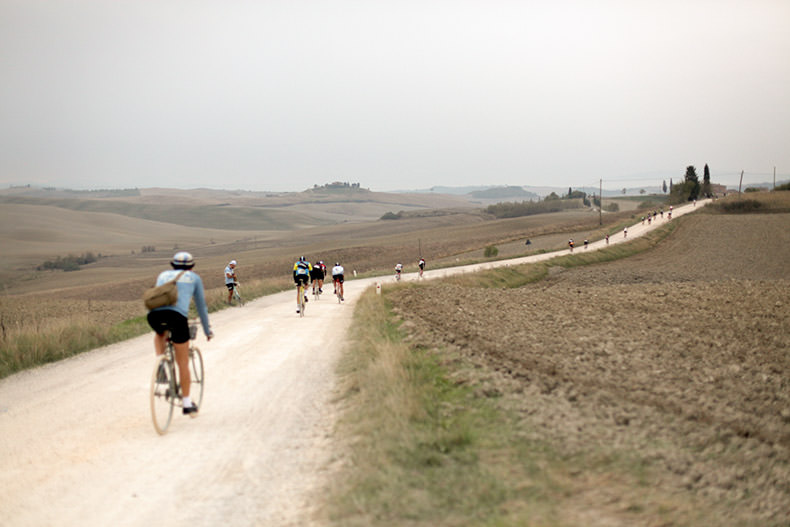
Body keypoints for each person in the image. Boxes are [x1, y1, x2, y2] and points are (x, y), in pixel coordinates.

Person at [147, 252, 213, 417]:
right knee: (182, 362)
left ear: (172, 265)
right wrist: (207, 330)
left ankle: (160, 362)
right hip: (177, 317)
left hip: (154, 315)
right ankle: (186, 403)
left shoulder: (163, 275)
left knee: (160, 332)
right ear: (191, 266)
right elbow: (201, 307)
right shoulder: (194, 278)